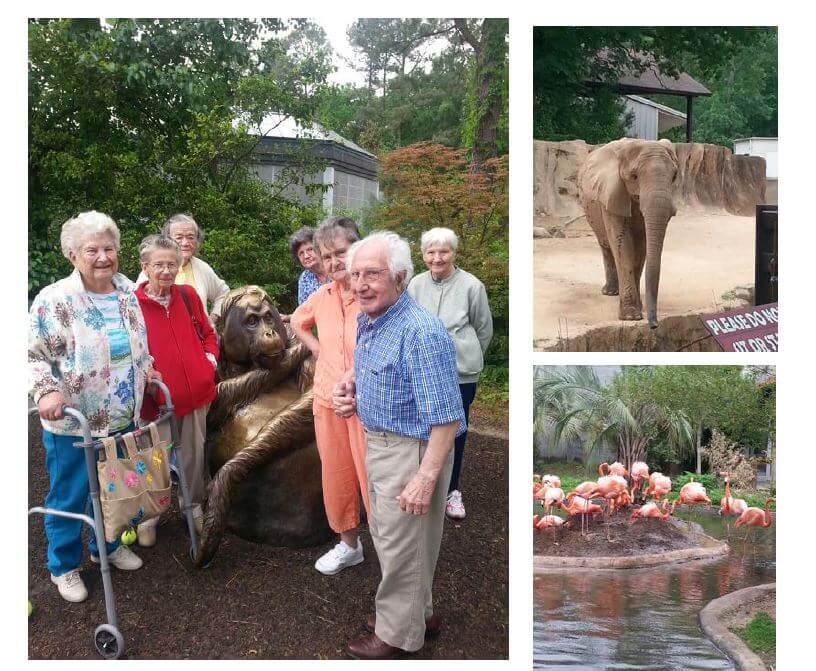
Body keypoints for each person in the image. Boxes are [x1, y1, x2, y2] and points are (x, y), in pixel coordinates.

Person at [333, 231, 466, 660]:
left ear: (401, 276)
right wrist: (351, 388)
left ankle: (397, 636)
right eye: (355, 274)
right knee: (396, 539)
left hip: (412, 451)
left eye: (372, 273)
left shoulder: (420, 332)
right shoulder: (373, 320)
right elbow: (372, 369)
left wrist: (426, 478)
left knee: (401, 545)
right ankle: (418, 615)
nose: (361, 284)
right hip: (382, 445)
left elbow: (447, 420)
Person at [28, 211, 155, 603]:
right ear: (72, 255)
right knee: (71, 494)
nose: (103, 256)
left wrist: (148, 368)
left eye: (109, 248)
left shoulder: (127, 292)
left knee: (114, 489)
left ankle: (108, 546)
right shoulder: (54, 299)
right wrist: (46, 390)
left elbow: (139, 344)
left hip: (122, 415)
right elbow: (31, 355)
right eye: (92, 249)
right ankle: (63, 566)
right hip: (76, 422)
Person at [291, 217, 369, 575]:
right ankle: (349, 544)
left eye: (342, 252)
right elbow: (296, 322)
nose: (335, 261)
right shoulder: (320, 297)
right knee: (336, 475)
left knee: (374, 479)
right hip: (326, 398)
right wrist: (317, 349)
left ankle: (393, 551)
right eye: (327, 255)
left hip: (368, 404)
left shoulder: (373, 294)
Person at [134, 235, 219, 545]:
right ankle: (150, 516)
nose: (166, 271)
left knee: (194, 457)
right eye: (159, 265)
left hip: (196, 395)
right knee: (154, 458)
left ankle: (192, 507)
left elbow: (209, 334)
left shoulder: (188, 296)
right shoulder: (132, 304)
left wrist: (207, 362)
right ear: (145, 267)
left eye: (172, 264)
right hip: (155, 402)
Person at [407, 227, 493, 520]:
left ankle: (452, 490)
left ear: (454, 253)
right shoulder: (415, 284)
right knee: (420, 427)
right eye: (431, 252)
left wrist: (468, 355)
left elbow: (483, 330)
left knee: (456, 431)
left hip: (460, 373)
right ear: (423, 255)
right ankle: (422, 482)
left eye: (443, 251)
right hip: (421, 370)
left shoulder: (472, 285)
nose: (437, 257)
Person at [136, 213, 229, 315]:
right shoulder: (152, 270)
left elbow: (223, 293)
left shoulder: (202, 267)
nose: (185, 243)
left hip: (199, 331)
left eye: (190, 237)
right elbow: (137, 307)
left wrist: (213, 319)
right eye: (179, 237)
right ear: (168, 240)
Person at [290, 226, 328, 305]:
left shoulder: (333, 267)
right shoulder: (304, 278)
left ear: (319, 249)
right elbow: (305, 310)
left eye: (310, 249)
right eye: (301, 253)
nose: (306, 256)